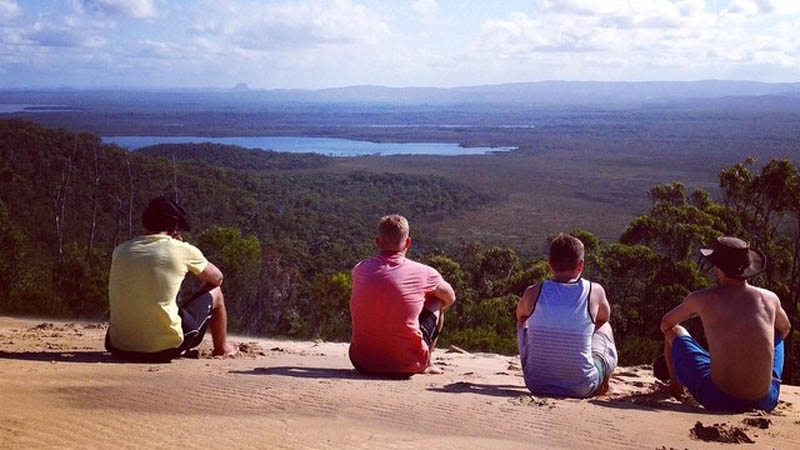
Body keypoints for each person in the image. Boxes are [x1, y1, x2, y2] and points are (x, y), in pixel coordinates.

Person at [661, 236, 791, 412]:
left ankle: (675, 388)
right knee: (776, 335)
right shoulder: (770, 298)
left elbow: (666, 324)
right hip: (765, 400)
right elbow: (785, 329)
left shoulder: (701, 299)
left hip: (719, 399)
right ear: (748, 268)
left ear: (717, 269)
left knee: (674, 331)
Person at [106, 197, 237, 362]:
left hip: (117, 347)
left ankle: (134, 338)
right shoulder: (182, 249)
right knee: (216, 291)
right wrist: (184, 250)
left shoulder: (120, 250)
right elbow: (218, 278)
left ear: (145, 223)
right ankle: (222, 348)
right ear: (175, 228)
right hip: (164, 350)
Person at [349, 214, 456, 376]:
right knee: (436, 299)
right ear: (407, 243)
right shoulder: (424, 272)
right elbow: (450, 297)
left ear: (377, 242)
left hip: (361, 362)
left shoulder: (360, 268)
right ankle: (427, 363)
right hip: (406, 365)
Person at [516, 233, 617, 397]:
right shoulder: (594, 291)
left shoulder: (533, 292)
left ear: (550, 264)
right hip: (582, 386)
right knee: (605, 327)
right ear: (581, 265)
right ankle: (603, 381)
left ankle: (544, 366)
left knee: (522, 320)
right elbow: (604, 318)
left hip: (536, 383)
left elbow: (520, 315)